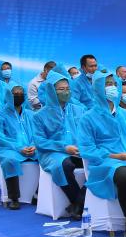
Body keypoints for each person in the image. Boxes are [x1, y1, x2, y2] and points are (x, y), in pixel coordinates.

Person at [77, 73, 126, 237]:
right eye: (107, 84)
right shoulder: (88, 118)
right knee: (124, 177)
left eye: (113, 83)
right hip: (106, 162)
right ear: (98, 88)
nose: (112, 87)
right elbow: (87, 149)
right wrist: (117, 156)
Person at [31, 72, 88, 219]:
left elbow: (86, 133)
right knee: (65, 165)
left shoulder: (79, 110)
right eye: (61, 89)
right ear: (51, 91)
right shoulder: (39, 115)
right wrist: (64, 147)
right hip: (52, 153)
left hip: (78, 150)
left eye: (67, 88)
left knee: (99, 163)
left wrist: (83, 147)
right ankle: (78, 202)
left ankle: (78, 204)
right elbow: (40, 141)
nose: (66, 92)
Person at [0, 85, 38, 210]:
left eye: (21, 93)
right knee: (9, 160)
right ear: (8, 96)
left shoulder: (30, 114)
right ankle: (14, 198)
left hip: (31, 149)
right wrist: (19, 148)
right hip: (9, 148)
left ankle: (37, 193)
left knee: (48, 156)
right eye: (15, 94)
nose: (18, 96)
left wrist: (34, 146)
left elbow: (37, 133)